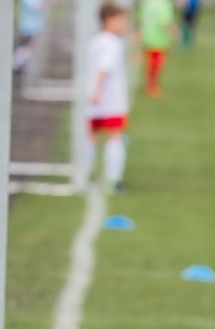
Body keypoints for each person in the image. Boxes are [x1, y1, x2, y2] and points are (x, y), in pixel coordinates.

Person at [86, 2, 131, 191]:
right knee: (115, 136)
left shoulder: (95, 40)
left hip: (93, 99)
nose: (124, 25)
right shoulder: (113, 43)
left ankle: (84, 175)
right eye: (121, 21)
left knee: (92, 136)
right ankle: (114, 179)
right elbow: (104, 69)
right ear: (109, 21)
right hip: (110, 98)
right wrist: (98, 92)